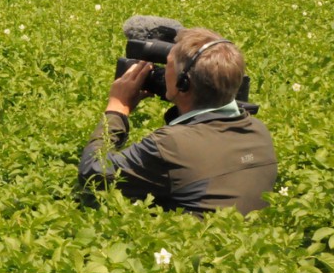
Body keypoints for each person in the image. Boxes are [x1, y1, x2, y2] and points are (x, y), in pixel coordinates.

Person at [79, 28, 277, 215]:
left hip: (189, 249)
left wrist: (117, 109)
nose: (162, 72)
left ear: (184, 84)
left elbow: (94, 172)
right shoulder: (258, 130)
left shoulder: (170, 145)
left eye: (168, 65)